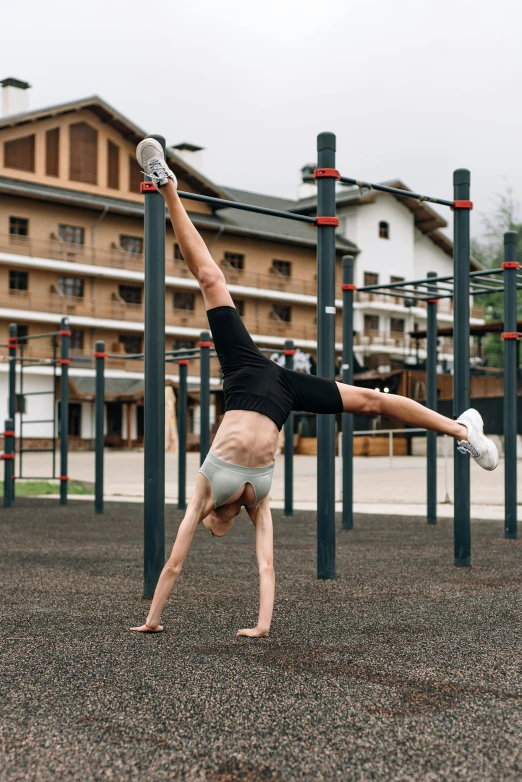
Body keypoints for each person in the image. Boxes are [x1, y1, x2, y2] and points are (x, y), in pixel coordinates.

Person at [131, 139, 498, 637]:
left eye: (209, 531)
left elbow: (174, 563)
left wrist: (152, 620)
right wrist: (261, 627)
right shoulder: (257, 502)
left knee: (211, 279)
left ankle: (166, 182)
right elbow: (266, 567)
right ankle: (462, 430)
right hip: (282, 392)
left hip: (242, 377)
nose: (215, 533)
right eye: (219, 531)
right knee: (372, 402)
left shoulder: (202, 491)